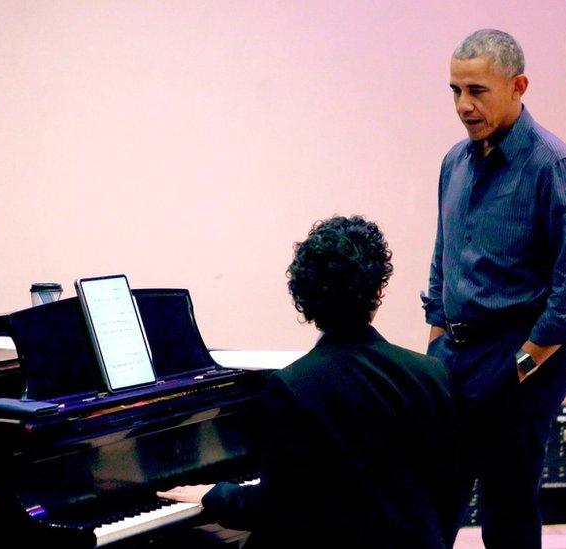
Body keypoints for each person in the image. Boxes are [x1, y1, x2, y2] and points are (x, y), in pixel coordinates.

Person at [159, 216, 459, 547]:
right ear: (377, 290)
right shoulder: (431, 373)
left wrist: (216, 495)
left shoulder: (292, 387)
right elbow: (450, 488)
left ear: (304, 295)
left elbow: (277, 507)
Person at [422, 29, 566, 547]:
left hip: (520, 358)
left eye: (477, 90)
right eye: (455, 90)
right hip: (455, 355)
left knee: (508, 512)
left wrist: (517, 368)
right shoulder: (454, 161)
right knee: (432, 501)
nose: (463, 105)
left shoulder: (555, 167)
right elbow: (442, 262)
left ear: (518, 85)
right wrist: (434, 349)